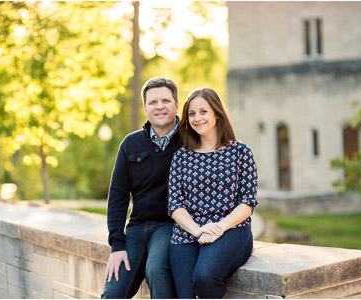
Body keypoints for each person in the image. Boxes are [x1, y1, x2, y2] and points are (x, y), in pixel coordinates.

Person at [167, 87, 257, 298]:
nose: (197, 118)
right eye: (192, 114)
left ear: (217, 112)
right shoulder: (181, 156)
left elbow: (247, 202)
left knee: (205, 277)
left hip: (232, 228)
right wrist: (198, 231)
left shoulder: (240, 152)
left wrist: (219, 228)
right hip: (187, 233)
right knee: (186, 294)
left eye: (203, 112)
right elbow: (175, 205)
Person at [103, 77, 180, 298]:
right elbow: (117, 196)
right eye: (153, 102)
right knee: (113, 291)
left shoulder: (190, 140)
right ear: (145, 108)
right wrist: (117, 244)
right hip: (136, 228)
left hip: (171, 225)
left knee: (156, 270)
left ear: (176, 105)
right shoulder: (130, 143)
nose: (159, 106)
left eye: (166, 100)